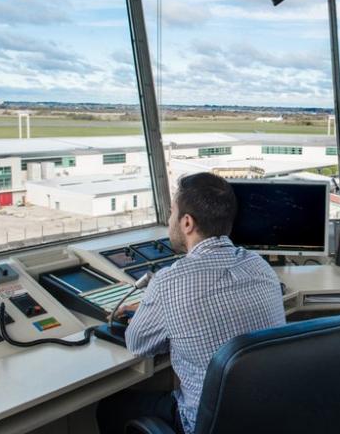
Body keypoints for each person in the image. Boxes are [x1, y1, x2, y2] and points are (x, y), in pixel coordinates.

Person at [97, 172, 286, 434]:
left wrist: (154, 311)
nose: (169, 220)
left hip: (204, 424)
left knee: (110, 407)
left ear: (187, 222)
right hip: (263, 417)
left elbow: (138, 344)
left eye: (172, 212)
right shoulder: (259, 266)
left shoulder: (169, 282)